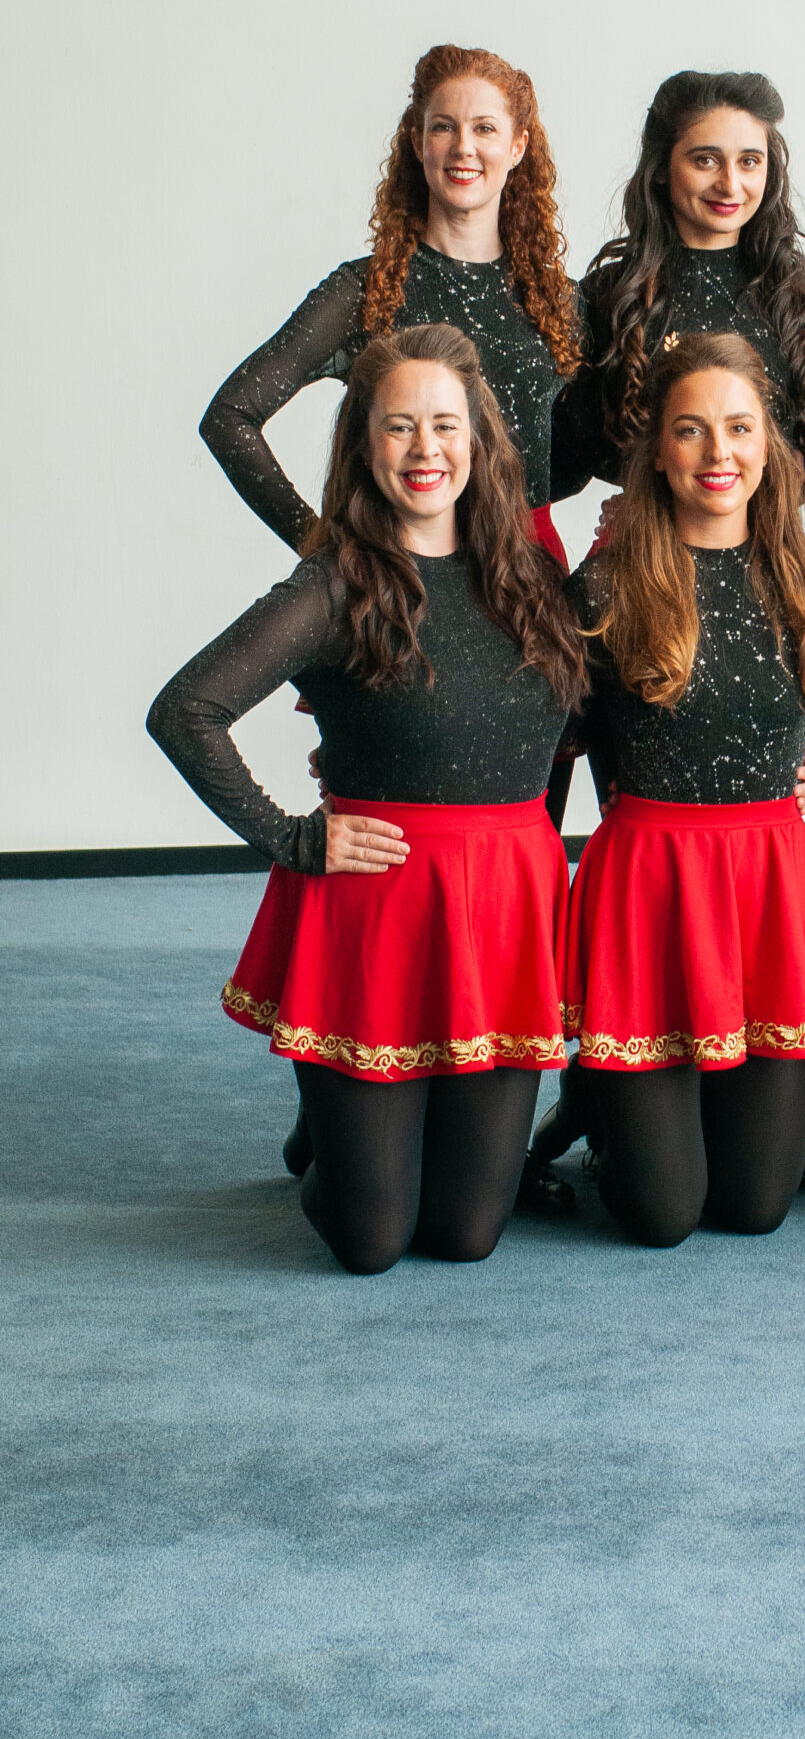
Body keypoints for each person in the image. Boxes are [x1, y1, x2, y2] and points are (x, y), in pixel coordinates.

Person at [148, 325, 588, 1275]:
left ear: (479, 438)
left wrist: (796, 769)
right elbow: (185, 710)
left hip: (504, 908)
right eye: (399, 426)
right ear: (362, 444)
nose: (426, 449)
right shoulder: (333, 584)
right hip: (378, 911)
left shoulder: (532, 577)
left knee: (465, 1237)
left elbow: (577, 717)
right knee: (372, 1241)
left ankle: (354, 1125)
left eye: (445, 425)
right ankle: (333, 1137)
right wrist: (291, 837)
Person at [554, 332, 805, 1248]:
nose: (717, 452)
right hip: (649, 891)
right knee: (662, 1217)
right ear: (657, 450)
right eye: (691, 430)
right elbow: (547, 735)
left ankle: (618, 1100)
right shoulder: (606, 584)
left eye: (738, 428)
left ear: (769, 445)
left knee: (754, 1208)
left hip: (768, 889)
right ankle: (601, 1101)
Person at [200, 43, 581, 565]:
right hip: (406, 574)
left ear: (518, 146)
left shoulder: (560, 300)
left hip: (529, 575)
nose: (463, 147)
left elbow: (586, 450)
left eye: (485, 129)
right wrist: (323, 548)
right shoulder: (366, 288)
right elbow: (229, 416)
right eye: (444, 127)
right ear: (418, 141)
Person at [550, 70, 805, 504]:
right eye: (705, 160)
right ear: (661, 168)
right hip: (642, 541)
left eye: (749, 161)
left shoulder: (791, 296)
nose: (730, 184)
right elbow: (570, 456)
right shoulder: (609, 297)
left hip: (768, 542)